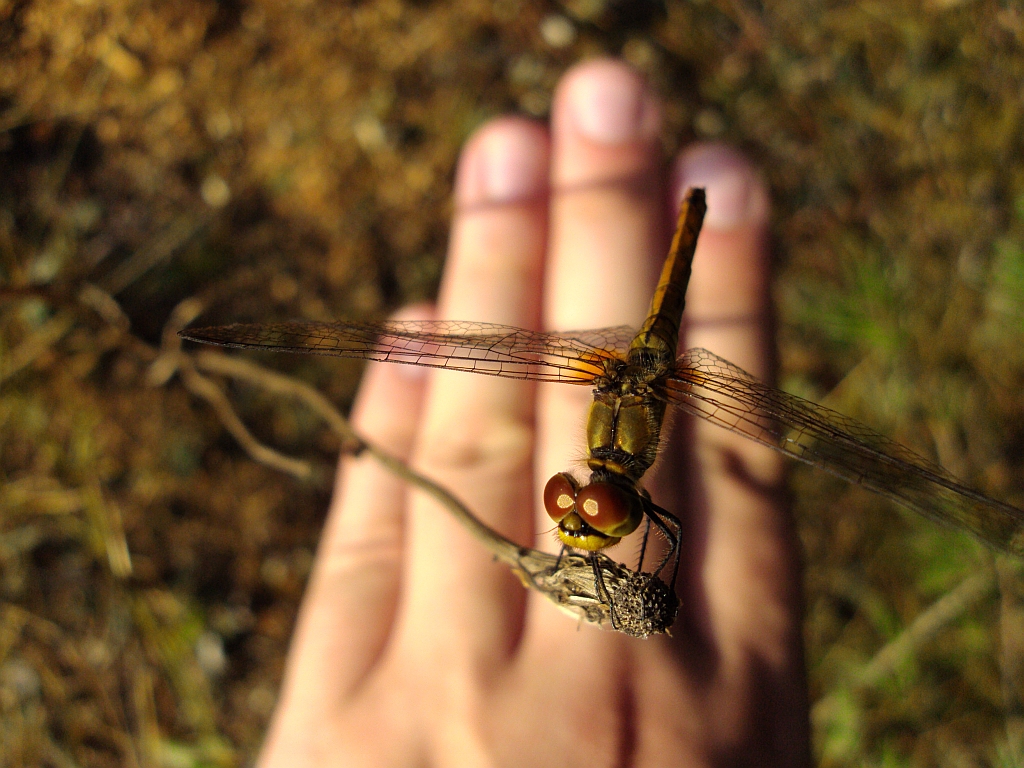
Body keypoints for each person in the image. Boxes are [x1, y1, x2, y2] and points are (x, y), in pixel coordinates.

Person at [257, 58, 810, 767]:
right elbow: (659, 541)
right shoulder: (597, 484)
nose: (574, 520)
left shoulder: (632, 473)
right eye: (583, 511)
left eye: (574, 513)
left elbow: (665, 546)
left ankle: (693, 205)